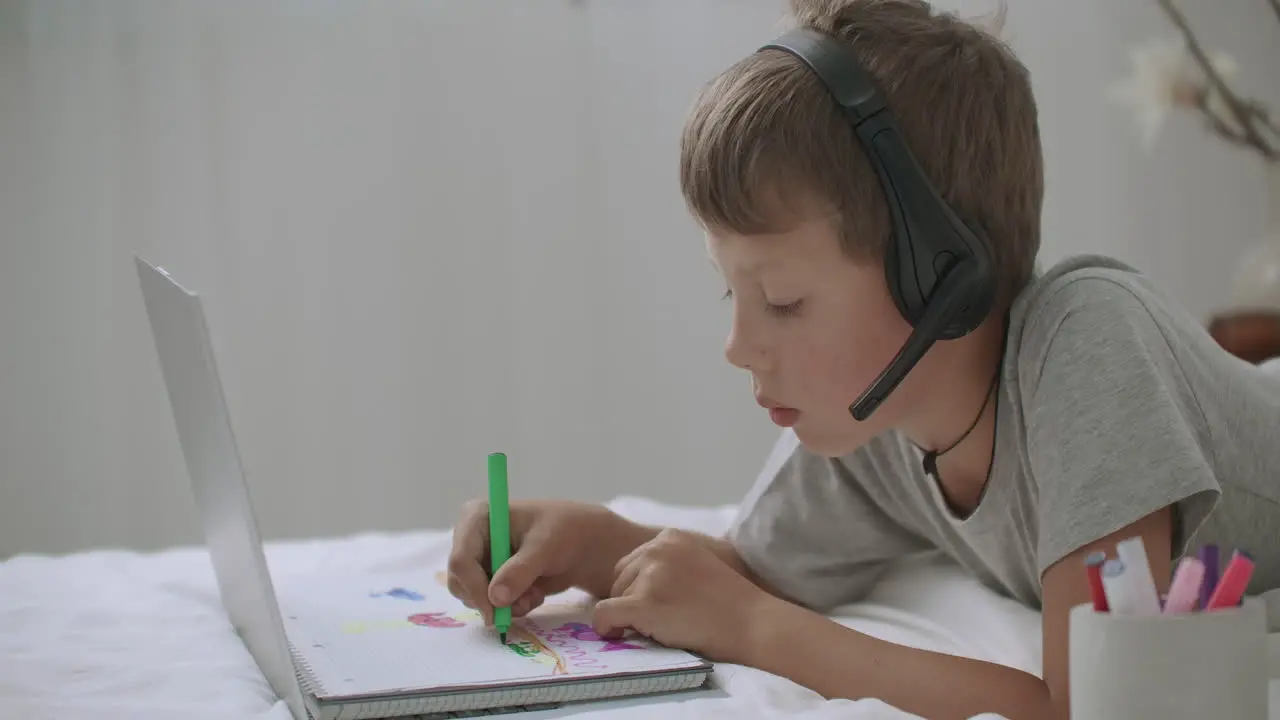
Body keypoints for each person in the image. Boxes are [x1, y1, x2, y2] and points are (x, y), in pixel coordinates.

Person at [446, 1, 1280, 717]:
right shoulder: (882, 414)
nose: (738, 347)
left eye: (783, 301)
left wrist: (759, 632)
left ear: (940, 278)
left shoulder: (1088, 344)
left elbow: (1082, 706)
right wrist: (591, 541)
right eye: (729, 296)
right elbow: (753, 569)